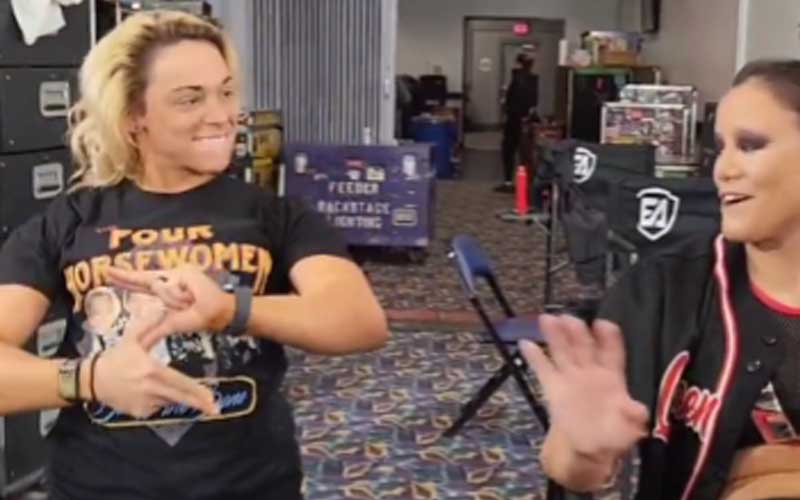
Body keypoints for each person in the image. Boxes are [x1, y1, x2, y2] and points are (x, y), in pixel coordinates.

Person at [0, 10, 388, 500]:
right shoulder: (70, 221)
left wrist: (230, 309)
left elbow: (361, 321)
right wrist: (90, 378)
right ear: (132, 116)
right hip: (96, 487)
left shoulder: (274, 215)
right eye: (190, 99)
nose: (222, 115)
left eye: (226, 92)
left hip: (250, 487)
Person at [520, 59, 800, 500]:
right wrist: (584, 451)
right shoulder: (660, 290)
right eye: (720, 147)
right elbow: (568, 467)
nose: (723, 170)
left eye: (750, 145)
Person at [497, 53, 539, 193]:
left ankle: (509, 182)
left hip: (514, 118)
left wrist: (506, 105)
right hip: (525, 118)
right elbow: (534, 101)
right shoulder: (533, 79)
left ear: (518, 63)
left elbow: (513, 100)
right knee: (524, 152)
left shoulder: (517, 78)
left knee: (508, 149)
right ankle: (525, 183)